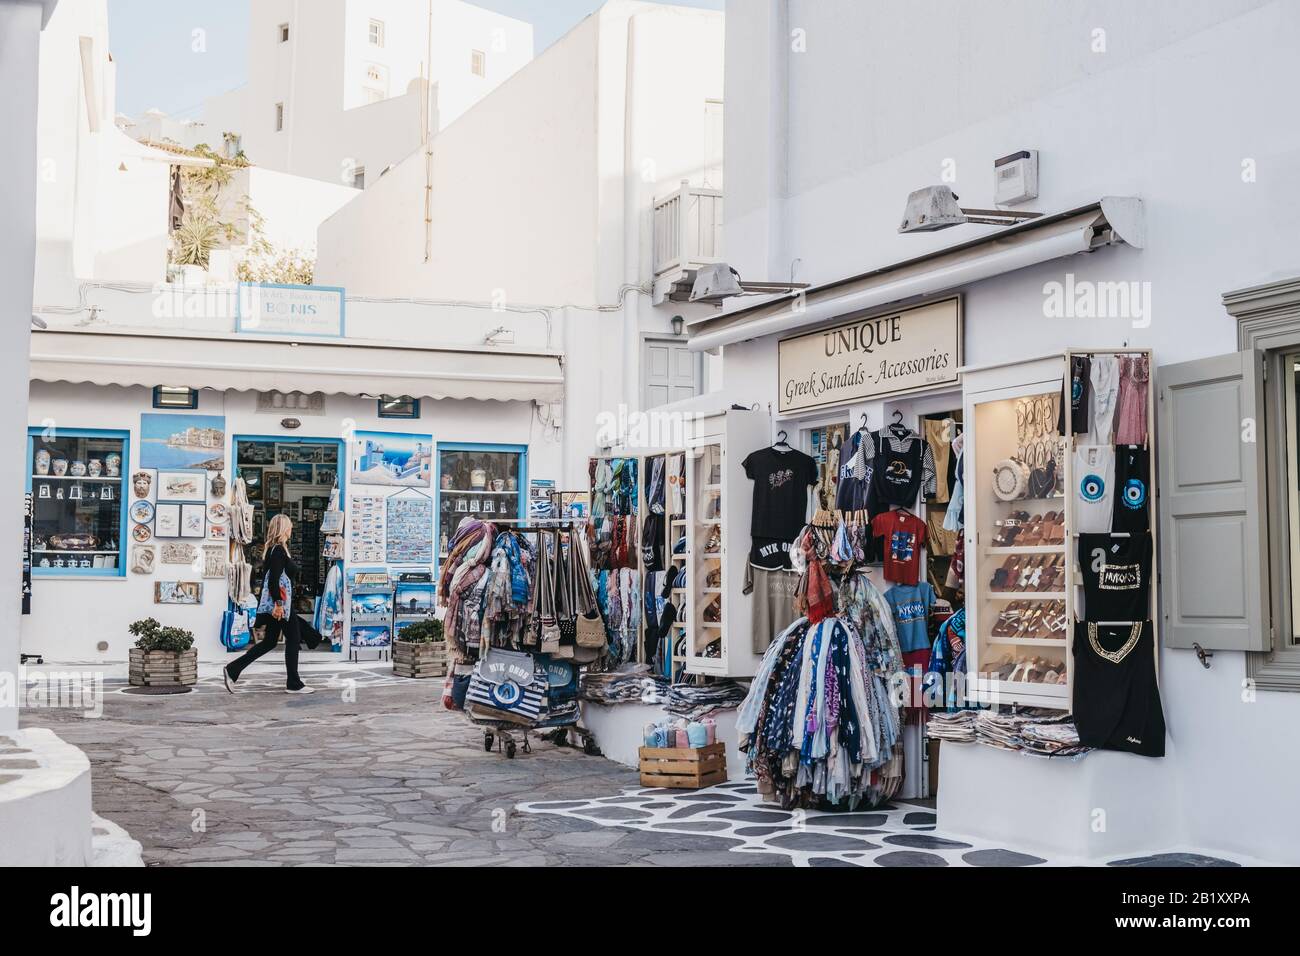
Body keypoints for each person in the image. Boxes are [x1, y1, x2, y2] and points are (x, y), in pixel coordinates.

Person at [224, 514, 318, 693]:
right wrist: (279, 603)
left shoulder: (276, 550)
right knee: (294, 639)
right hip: (280, 606)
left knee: (269, 642)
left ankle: (232, 669)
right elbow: (273, 580)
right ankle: (294, 684)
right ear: (283, 528)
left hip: (280, 605)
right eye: (289, 526)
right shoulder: (278, 551)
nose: (291, 530)